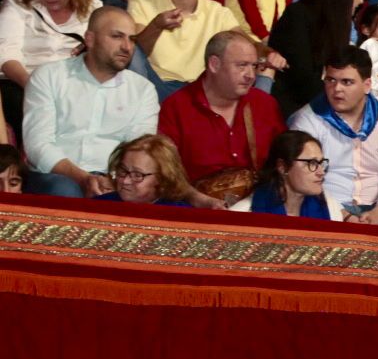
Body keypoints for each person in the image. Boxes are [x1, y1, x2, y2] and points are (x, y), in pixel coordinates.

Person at [21, 6, 157, 196]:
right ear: (90, 39)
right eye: (117, 36)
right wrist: (82, 178)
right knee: (65, 190)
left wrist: (112, 180)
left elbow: (139, 150)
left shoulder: (143, 90)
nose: (127, 47)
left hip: (115, 180)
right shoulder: (49, 76)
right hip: (55, 175)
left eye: (132, 39)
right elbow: (38, 145)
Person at [286, 46, 378, 225]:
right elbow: (302, 181)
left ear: (367, 86)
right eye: (330, 80)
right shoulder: (307, 120)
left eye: (347, 82)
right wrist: (343, 215)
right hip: (328, 207)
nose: (336, 89)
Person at [157, 29, 285, 187]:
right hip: (196, 207)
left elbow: (285, 162)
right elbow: (166, 175)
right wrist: (195, 198)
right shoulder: (176, 108)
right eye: (242, 65)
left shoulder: (265, 104)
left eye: (254, 66)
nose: (251, 75)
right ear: (214, 64)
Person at [127, 0, 247, 97]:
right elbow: (135, 53)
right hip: (153, 85)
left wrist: (268, 54)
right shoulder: (142, 2)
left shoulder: (217, 12)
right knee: (129, 48)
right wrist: (156, 25)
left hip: (198, 91)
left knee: (262, 68)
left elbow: (246, 44)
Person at [0, 0, 93, 139]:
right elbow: (7, 55)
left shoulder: (93, 7)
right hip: (23, 81)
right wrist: (36, 86)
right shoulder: (18, 1)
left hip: (73, 84)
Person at [266, 0, 364, 117]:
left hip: (320, 102)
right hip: (291, 106)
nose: (361, 1)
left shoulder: (338, 24)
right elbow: (302, 77)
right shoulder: (298, 16)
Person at [227, 127, 335, 218]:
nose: (321, 172)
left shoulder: (329, 207)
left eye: (321, 163)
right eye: (311, 163)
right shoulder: (243, 215)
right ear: (282, 167)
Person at [93, 133, 200, 206]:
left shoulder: (180, 216)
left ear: (162, 179)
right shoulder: (100, 206)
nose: (125, 181)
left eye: (137, 175)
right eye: (123, 170)